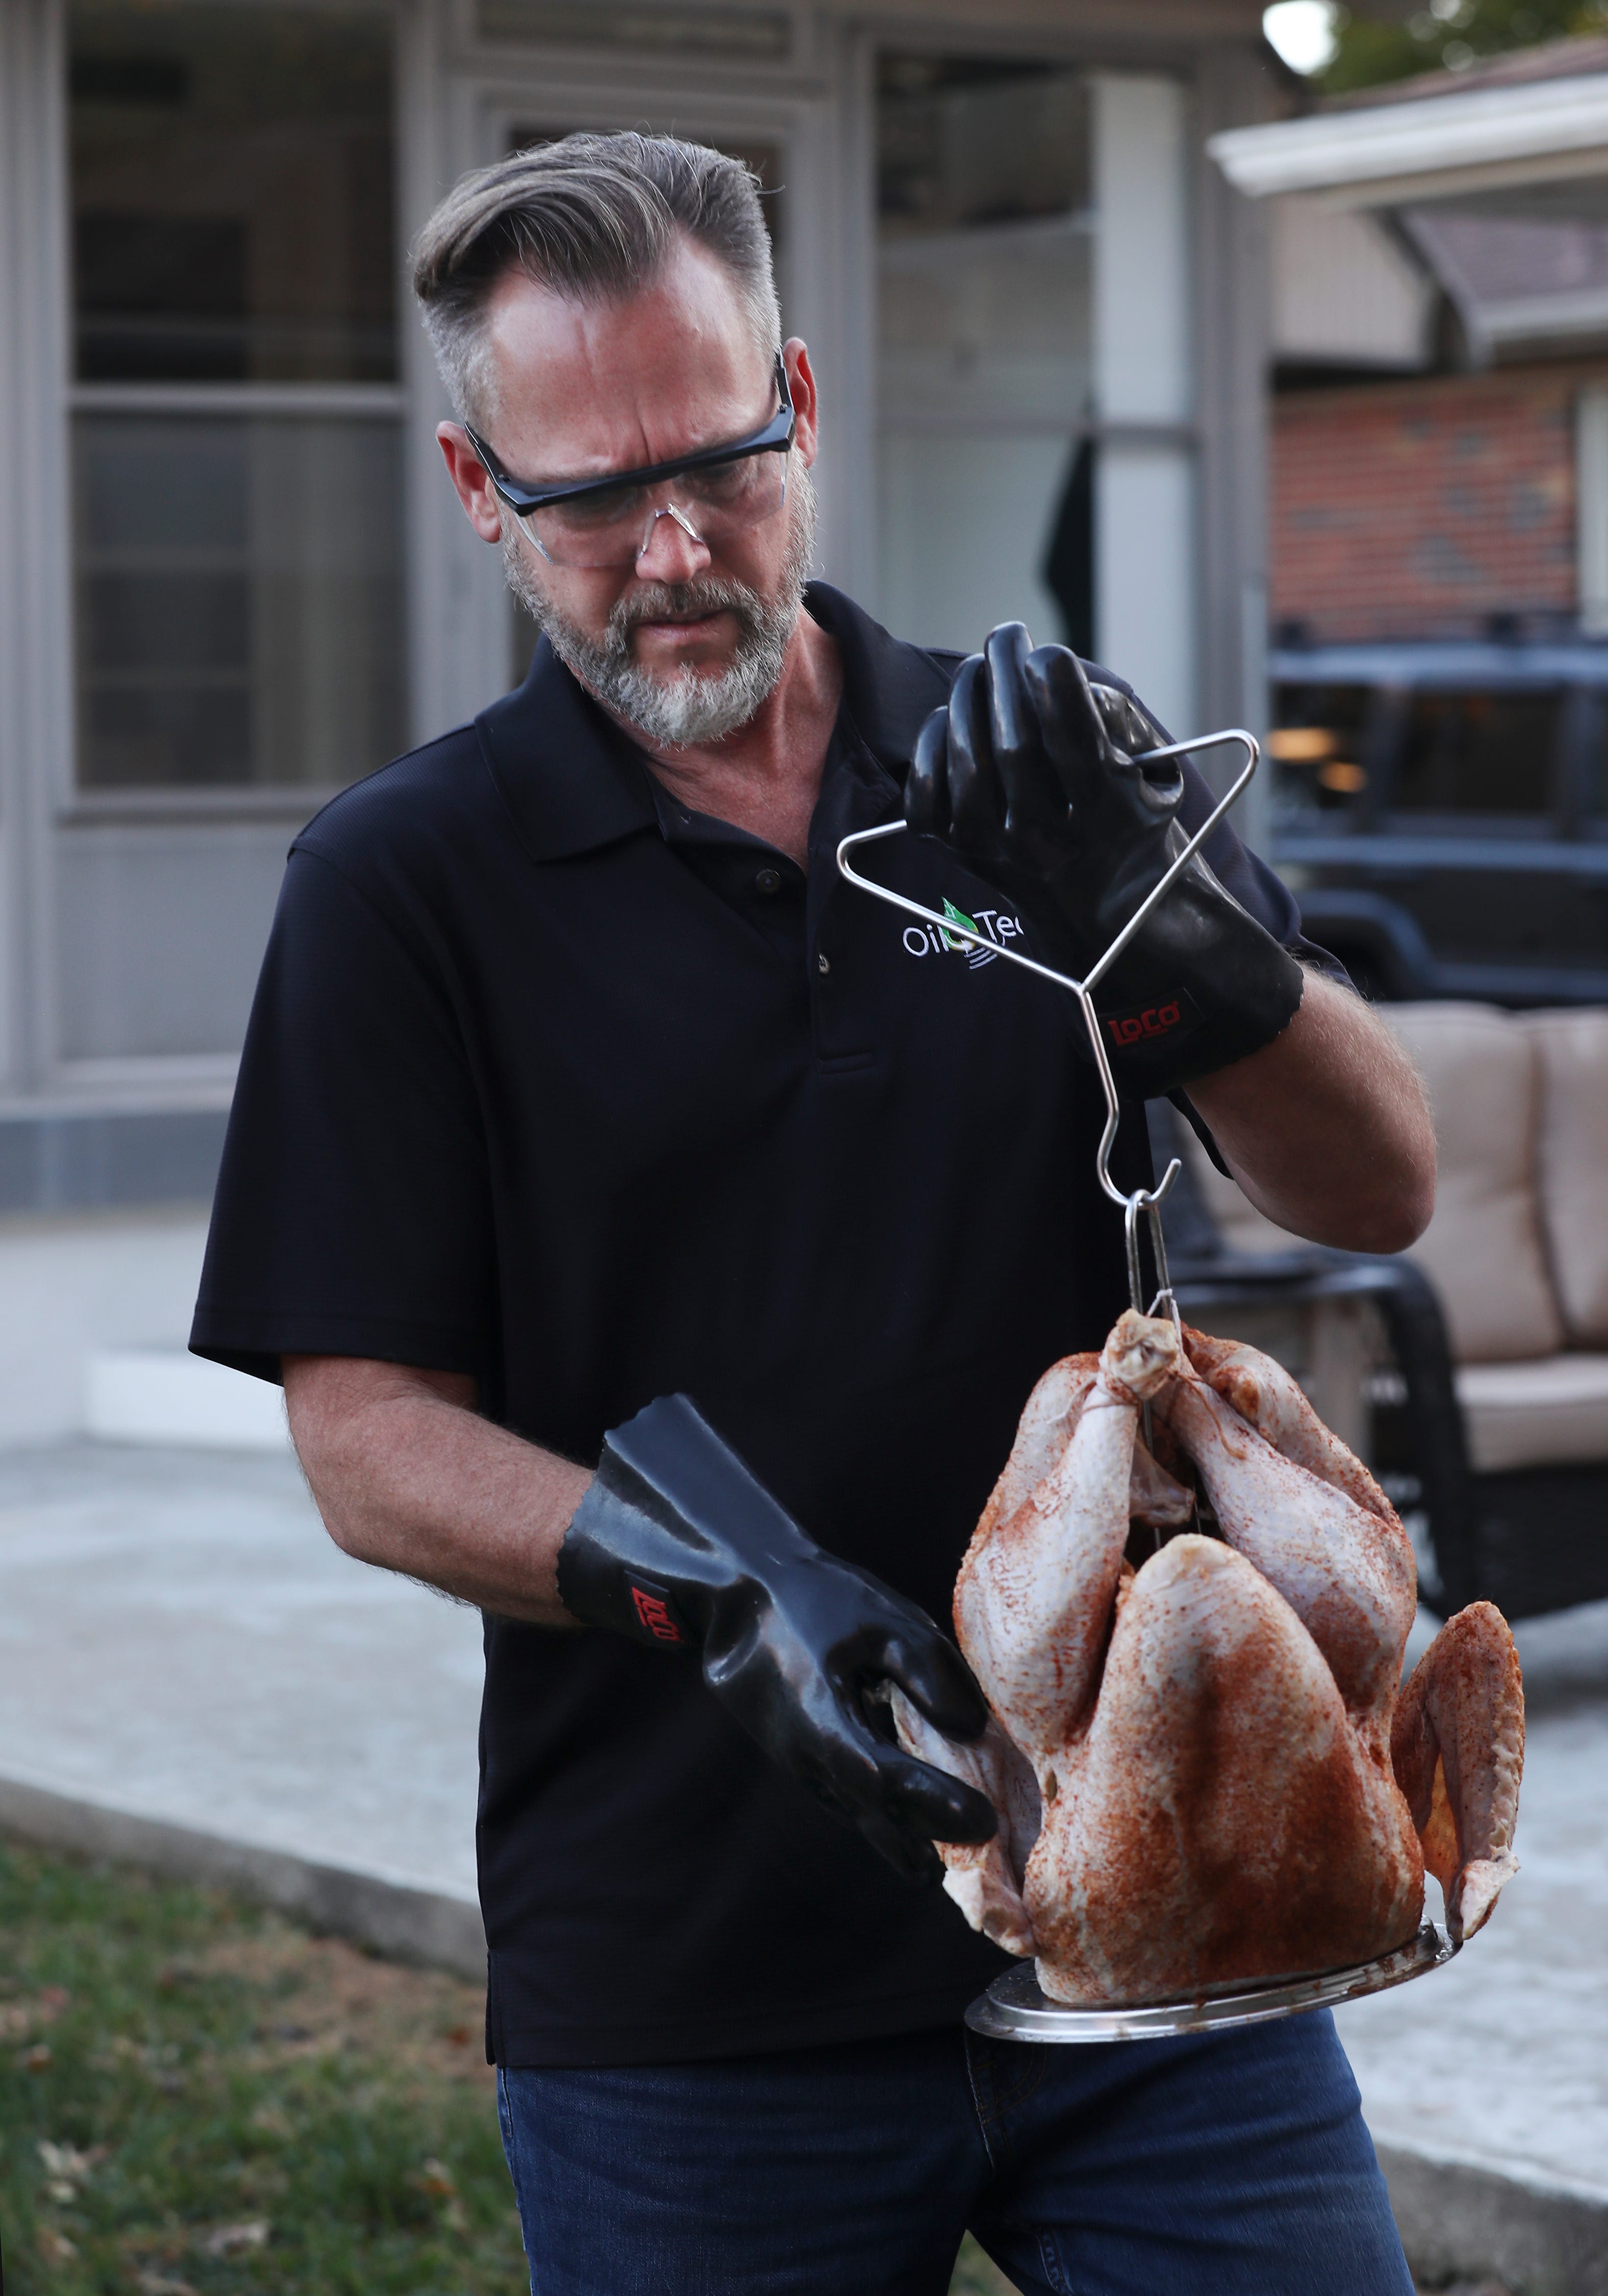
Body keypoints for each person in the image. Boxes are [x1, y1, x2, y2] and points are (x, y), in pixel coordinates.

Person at [191, 132, 1437, 2296]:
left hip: (1165, 1911)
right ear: (480, 491)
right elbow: (366, 1435)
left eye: (721, 461)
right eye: (586, 498)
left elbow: (1371, 1183)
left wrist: (1200, 965)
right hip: (689, 1996)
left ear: (796, 396)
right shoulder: (403, 889)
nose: (674, 549)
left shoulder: (1031, 770)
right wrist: (717, 1590)